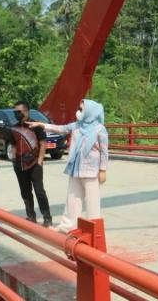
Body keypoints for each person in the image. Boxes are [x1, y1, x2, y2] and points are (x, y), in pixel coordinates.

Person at [27, 99, 108, 233]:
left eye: (82, 110)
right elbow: (61, 129)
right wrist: (42, 125)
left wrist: (103, 170)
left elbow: (104, 152)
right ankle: (67, 227)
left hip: (91, 170)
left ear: (90, 112)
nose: (79, 112)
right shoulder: (77, 125)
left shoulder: (100, 129)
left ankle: (94, 230)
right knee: (72, 199)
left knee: (92, 201)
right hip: (76, 168)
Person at [10, 101, 52, 227]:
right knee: (25, 192)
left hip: (34, 164)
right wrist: (13, 159)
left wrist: (40, 161)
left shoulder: (36, 126)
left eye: (19, 112)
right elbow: (12, 145)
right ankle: (31, 216)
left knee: (39, 191)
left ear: (27, 111)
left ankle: (47, 217)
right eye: (15, 112)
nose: (17, 114)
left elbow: (43, 143)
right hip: (19, 165)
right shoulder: (14, 128)